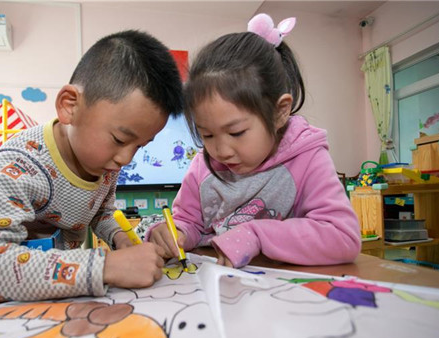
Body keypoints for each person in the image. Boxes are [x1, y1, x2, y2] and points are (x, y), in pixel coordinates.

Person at [0, 30, 183, 302]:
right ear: (69, 105)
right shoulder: (18, 165)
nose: (126, 159)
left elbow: (100, 212)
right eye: (120, 139)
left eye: (140, 146)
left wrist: (120, 238)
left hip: (62, 299)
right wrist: (104, 267)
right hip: (9, 304)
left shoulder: (104, 163)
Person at [147, 14, 361, 268]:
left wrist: (258, 235)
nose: (221, 151)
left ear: (279, 112)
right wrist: (174, 233)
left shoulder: (307, 158)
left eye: (236, 133)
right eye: (207, 135)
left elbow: (343, 237)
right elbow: (188, 222)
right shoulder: (203, 166)